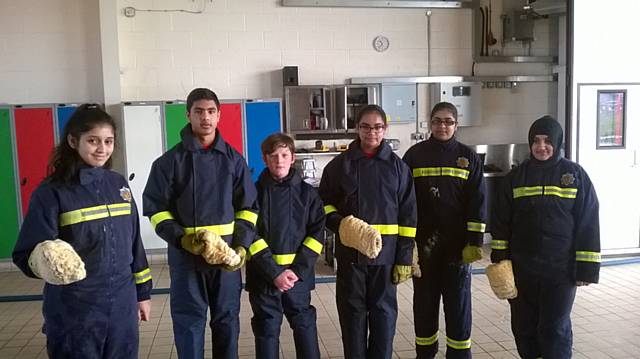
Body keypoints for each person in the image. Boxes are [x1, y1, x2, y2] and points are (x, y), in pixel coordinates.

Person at [12, 104, 152, 358]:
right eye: (93, 141)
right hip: (75, 309)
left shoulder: (118, 185)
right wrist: (46, 262)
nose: (102, 149)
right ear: (73, 141)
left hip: (122, 305)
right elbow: (26, 254)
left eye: (109, 141)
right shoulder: (52, 192)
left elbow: (134, 243)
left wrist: (142, 294)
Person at [143, 88, 258, 358]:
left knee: (227, 322)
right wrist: (180, 238)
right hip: (186, 260)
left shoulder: (234, 161)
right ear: (188, 115)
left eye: (210, 111)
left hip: (226, 260)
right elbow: (156, 208)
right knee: (188, 323)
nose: (205, 117)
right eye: (198, 111)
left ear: (219, 115)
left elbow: (248, 208)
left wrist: (241, 247)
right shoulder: (169, 162)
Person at [490, 115, 600, 358]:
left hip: (561, 271)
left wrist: (587, 268)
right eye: (536, 141)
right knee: (524, 327)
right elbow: (501, 223)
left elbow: (588, 222)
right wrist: (500, 260)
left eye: (547, 141)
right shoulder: (515, 178)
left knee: (554, 328)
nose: (541, 146)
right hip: (522, 269)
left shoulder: (575, 175)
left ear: (558, 142)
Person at [319, 104, 417, 359]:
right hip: (351, 257)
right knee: (352, 317)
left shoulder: (398, 168)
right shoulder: (339, 166)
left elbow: (408, 217)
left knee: (384, 318)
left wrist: (404, 258)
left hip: (386, 260)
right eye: (365, 126)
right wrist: (340, 223)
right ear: (357, 128)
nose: (371, 132)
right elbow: (323, 206)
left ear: (385, 129)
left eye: (377, 127)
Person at [403, 101, 487, 359]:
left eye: (448, 121)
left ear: (456, 124)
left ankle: (460, 354)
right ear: (430, 123)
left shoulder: (468, 157)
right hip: (424, 246)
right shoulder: (414, 156)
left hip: (457, 247)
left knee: (458, 305)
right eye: (438, 121)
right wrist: (408, 245)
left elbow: (478, 200)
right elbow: (404, 201)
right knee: (424, 304)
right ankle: (425, 353)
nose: (443, 126)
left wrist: (474, 240)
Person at [245, 133, 325, 359]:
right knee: (266, 332)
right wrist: (274, 273)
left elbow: (316, 235)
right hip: (263, 279)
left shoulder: (308, 195)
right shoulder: (253, 194)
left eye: (284, 155)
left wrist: (296, 271)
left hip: (297, 279)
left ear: (293, 158)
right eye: (273, 156)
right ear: (264, 159)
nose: (279, 160)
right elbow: (250, 234)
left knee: (304, 327)